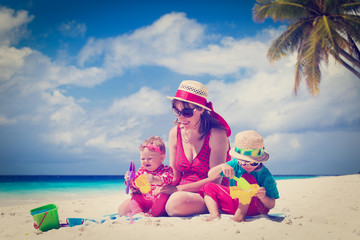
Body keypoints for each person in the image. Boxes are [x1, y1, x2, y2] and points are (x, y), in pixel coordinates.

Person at [160, 80, 232, 217]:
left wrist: (178, 189)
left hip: (210, 193)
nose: (180, 117)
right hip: (181, 191)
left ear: (201, 109)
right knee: (126, 208)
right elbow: (175, 176)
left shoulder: (216, 134)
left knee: (174, 204)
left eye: (186, 112)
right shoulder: (174, 133)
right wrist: (154, 181)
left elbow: (215, 180)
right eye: (176, 111)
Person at [200, 130, 279, 222]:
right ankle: (214, 215)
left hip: (256, 208)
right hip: (235, 203)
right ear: (237, 158)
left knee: (247, 178)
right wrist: (222, 167)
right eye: (243, 162)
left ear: (260, 160)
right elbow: (210, 175)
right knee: (208, 186)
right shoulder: (234, 164)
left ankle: (240, 216)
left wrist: (263, 197)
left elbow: (271, 204)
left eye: (253, 163)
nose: (247, 166)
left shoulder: (265, 175)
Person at [123, 136, 173, 217]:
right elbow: (136, 186)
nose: (146, 161)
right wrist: (131, 180)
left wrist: (155, 179)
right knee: (135, 197)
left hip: (158, 202)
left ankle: (152, 214)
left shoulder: (166, 169)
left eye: (150, 158)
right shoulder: (141, 171)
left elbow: (168, 178)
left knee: (163, 196)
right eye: (142, 159)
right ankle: (138, 213)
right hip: (145, 200)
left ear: (162, 158)